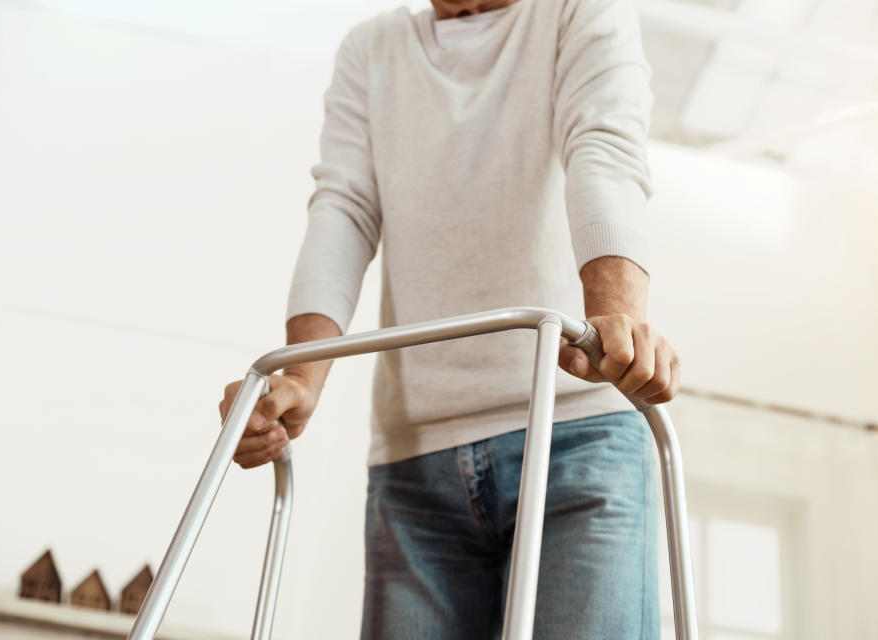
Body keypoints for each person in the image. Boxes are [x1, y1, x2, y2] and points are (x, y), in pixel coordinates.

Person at [219, 0, 680, 637]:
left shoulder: (580, 11)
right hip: (415, 466)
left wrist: (617, 316)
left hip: (577, 437)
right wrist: (299, 377)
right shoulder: (371, 49)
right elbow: (343, 208)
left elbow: (603, 145)